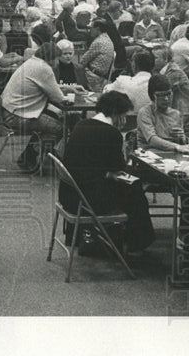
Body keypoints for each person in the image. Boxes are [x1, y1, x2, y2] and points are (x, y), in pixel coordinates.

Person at [54, 90, 155, 252]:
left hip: (68, 195)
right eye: (123, 115)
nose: (124, 120)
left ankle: (130, 240)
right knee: (135, 189)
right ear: (116, 114)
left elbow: (93, 166)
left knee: (131, 187)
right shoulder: (111, 133)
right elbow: (120, 169)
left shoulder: (81, 125)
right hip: (87, 201)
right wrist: (127, 152)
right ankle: (139, 243)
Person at [1, 42, 85, 147]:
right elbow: (58, 98)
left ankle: (31, 157)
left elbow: (44, 84)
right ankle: (43, 157)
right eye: (56, 58)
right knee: (60, 128)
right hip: (19, 116)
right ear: (51, 58)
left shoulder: (32, 62)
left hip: (10, 111)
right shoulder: (44, 68)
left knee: (56, 119)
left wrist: (68, 87)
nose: (57, 62)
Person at [137, 75, 189, 154]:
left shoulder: (176, 114)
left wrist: (182, 138)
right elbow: (152, 140)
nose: (166, 98)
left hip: (171, 154)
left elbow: (182, 143)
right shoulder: (145, 112)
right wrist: (177, 147)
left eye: (169, 94)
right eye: (161, 95)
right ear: (153, 96)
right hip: (150, 153)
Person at [80, 19, 116, 90]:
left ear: (97, 29)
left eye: (91, 28)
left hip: (93, 76)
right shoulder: (108, 39)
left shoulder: (98, 42)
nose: (90, 30)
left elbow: (83, 60)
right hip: (101, 75)